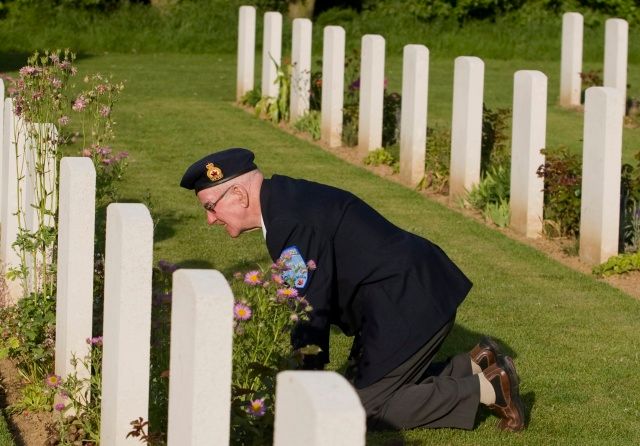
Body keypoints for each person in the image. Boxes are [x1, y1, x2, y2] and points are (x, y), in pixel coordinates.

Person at [180, 147, 525, 432]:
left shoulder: (287, 222)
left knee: (362, 410)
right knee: (349, 391)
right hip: (400, 293)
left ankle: (488, 388)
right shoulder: (283, 198)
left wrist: (305, 386)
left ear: (238, 194)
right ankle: (474, 364)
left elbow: (309, 308)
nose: (210, 219)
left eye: (210, 207)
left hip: (406, 300)